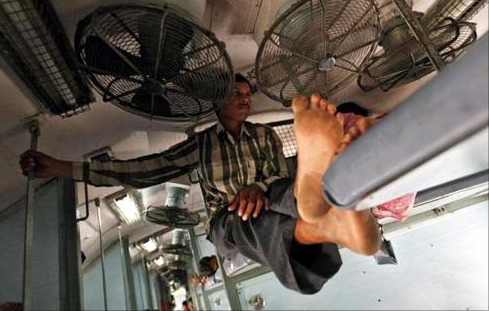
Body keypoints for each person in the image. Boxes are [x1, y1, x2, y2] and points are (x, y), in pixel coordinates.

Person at [20, 74, 381, 294]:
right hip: (226, 220)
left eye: (247, 94)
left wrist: (259, 186)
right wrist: (63, 169)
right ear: (217, 104)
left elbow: (283, 182)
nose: (244, 98)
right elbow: (142, 169)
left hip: (280, 197)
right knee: (252, 222)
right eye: (235, 94)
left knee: (285, 194)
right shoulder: (201, 144)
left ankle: (331, 220)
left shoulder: (267, 137)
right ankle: (334, 218)